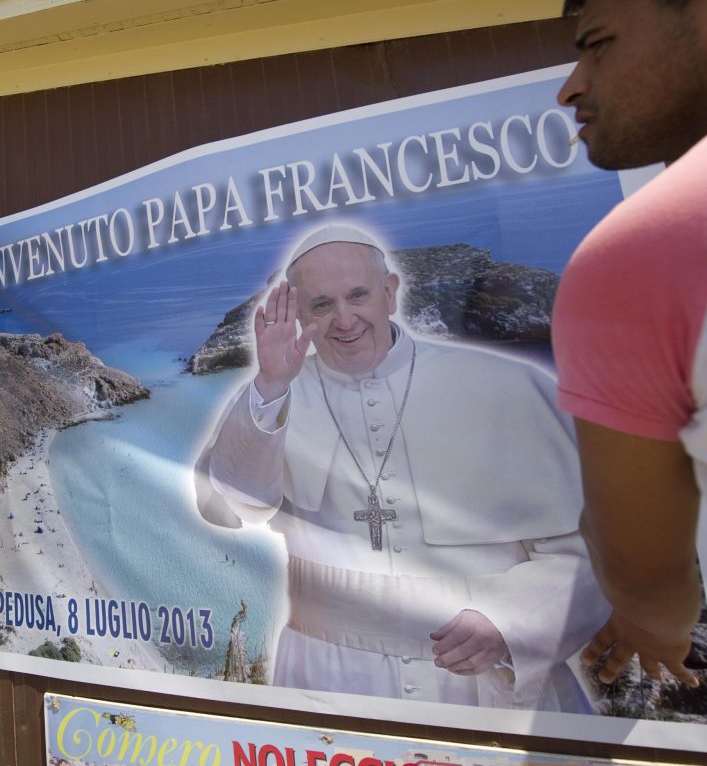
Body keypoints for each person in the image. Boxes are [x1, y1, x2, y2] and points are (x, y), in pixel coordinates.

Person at [194, 223, 608, 711]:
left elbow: (591, 552)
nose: (344, 320)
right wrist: (269, 386)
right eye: (321, 305)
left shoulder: (507, 386)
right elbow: (237, 505)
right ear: (301, 314)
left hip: (482, 679)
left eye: (358, 295)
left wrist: (510, 623)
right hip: (329, 679)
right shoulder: (272, 396)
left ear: (389, 293)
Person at [552, 0, 707, 687]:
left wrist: (653, 624)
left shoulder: (656, 245)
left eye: (599, 44)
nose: (571, 88)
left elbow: (645, 576)